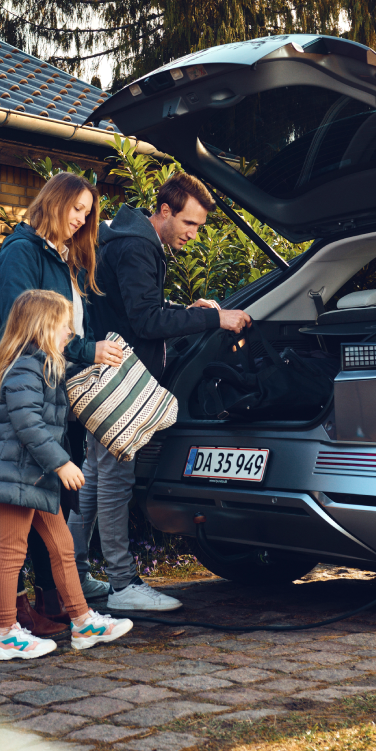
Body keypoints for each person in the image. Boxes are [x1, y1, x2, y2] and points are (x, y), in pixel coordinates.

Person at [75, 171, 252, 612]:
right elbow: (145, 323)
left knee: (94, 480)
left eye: (200, 227)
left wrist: (185, 310)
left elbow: (138, 311)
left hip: (109, 377)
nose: (193, 234)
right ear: (165, 211)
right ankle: (122, 585)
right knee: (112, 483)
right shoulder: (137, 247)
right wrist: (216, 319)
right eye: (189, 224)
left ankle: (72, 574)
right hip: (119, 383)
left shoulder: (125, 238)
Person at [0, 171, 126, 637]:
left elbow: (65, 329)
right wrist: (86, 351)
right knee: (14, 523)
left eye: (87, 214)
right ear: (53, 202)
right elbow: (30, 328)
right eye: (77, 209)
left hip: (49, 403)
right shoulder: (21, 253)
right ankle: (13, 621)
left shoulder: (63, 261)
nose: (81, 220)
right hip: (16, 410)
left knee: (52, 514)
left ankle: (59, 610)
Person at [0, 289, 134, 660]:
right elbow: (28, 424)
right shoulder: (25, 368)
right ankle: (5, 634)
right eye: (64, 326)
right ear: (42, 327)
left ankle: (83, 622)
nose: (69, 333)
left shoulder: (44, 366)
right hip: (17, 477)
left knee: (63, 547)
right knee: (12, 552)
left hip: (35, 477)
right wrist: (61, 462)